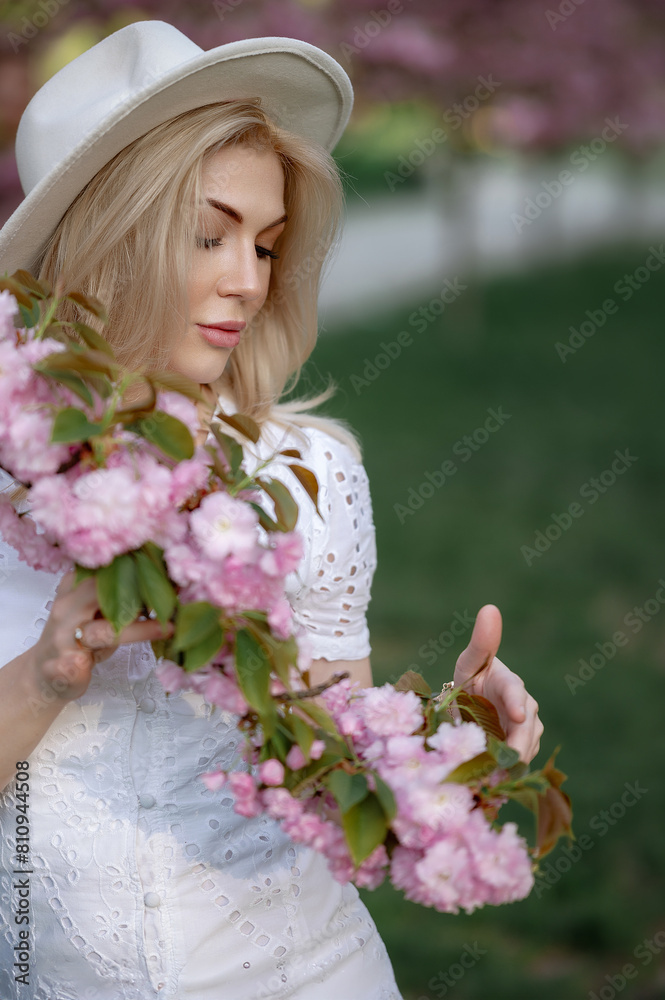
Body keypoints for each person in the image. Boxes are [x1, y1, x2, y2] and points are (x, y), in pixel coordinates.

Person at [0, 20, 543, 999]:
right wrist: (46, 672)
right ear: (108, 235)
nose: (247, 280)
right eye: (208, 235)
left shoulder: (309, 473)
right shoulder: (12, 477)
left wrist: (445, 747)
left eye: (265, 242)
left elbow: (325, 779)